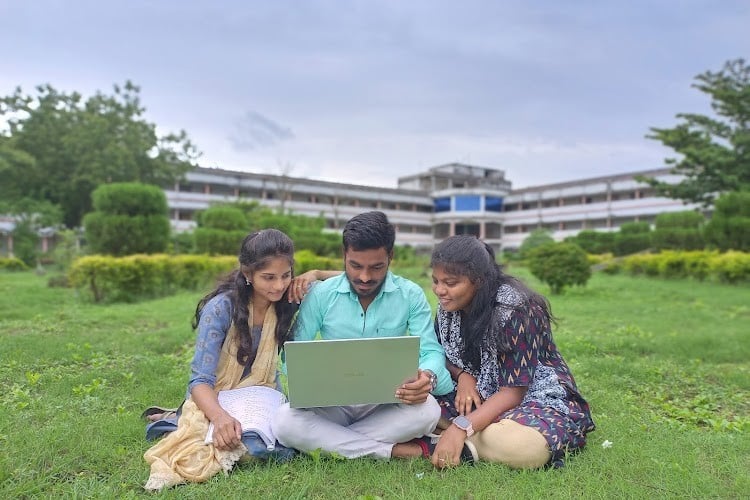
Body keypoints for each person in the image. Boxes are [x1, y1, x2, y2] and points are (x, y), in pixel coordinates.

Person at [143, 229, 334, 490]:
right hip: (218, 396)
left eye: (285, 275)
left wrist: (316, 274)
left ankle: (175, 418)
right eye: (268, 278)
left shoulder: (288, 297)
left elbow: (353, 278)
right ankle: (177, 419)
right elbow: (199, 380)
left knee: (284, 441)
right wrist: (221, 418)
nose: (278, 285)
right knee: (245, 445)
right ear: (247, 274)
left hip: (263, 397)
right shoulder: (221, 309)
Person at [272, 211, 455, 460]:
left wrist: (428, 377)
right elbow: (291, 355)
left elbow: (431, 351)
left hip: (387, 402)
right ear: (344, 256)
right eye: (355, 266)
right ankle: (394, 451)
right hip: (330, 403)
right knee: (284, 421)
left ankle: (328, 441)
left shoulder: (410, 294)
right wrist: (305, 378)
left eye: (376, 267)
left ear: (390, 257)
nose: (365, 277)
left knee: (428, 412)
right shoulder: (320, 294)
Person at [426, 235, 595, 469]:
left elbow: (513, 392)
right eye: (435, 281)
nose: (439, 290)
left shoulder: (518, 309)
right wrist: (463, 375)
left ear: (479, 280)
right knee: (411, 405)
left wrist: (460, 427)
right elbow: (439, 353)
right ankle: (471, 438)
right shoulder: (448, 307)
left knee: (523, 447)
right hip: (472, 396)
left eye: (450, 283)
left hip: (530, 397)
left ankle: (446, 439)